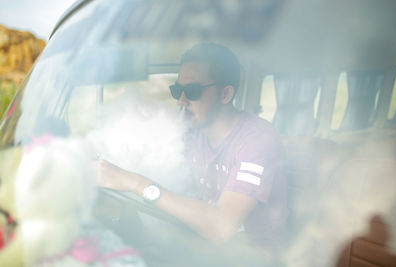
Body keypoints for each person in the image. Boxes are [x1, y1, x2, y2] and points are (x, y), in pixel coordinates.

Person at [98, 43, 287, 255]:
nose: (181, 100)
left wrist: (134, 182)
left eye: (192, 91)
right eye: (177, 90)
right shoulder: (191, 130)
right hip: (203, 246)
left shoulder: (256, 140)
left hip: (252, 256)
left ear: (225, 94)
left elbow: (221, 227)